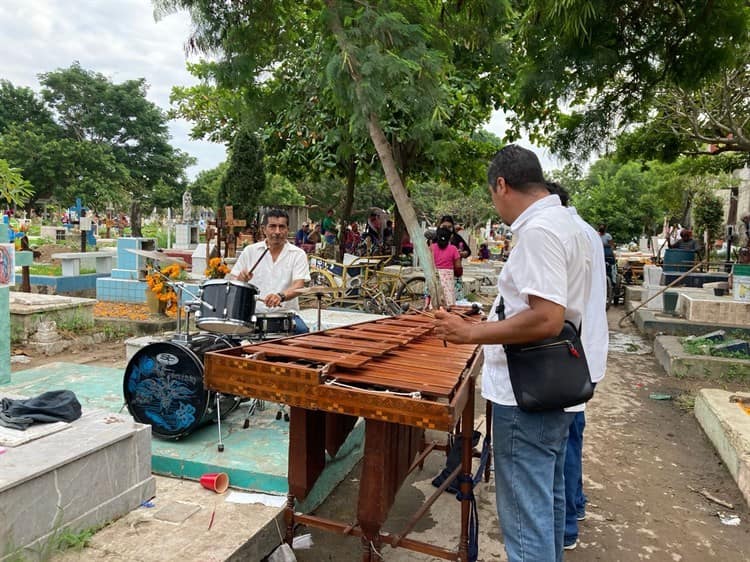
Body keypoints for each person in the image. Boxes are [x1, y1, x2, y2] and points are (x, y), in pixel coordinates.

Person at [434, 145, 591, 562]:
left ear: (501, 184)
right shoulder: (567, 224)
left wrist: (471, 334)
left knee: (525, 521)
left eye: (491, 193)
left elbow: (546, 319)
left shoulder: (540, 231)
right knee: (548, 504)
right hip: (551, 390)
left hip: (527, 396)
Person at [547, 182, 608, 551]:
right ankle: (577, 505)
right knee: (574, 433)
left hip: (574, 355)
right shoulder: (584, 232)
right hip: (585, 353)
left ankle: (567, 525)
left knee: (565, 441)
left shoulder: (568, 234)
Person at [229, 209, 311, 334]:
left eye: (281, 227)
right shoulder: (250, 251)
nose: (277, 232)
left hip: (287, 316)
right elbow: (233, 282)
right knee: (226, 341)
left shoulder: (298, 254)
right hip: (252, 315)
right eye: (272, 226)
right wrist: (241, 279)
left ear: (287, 229)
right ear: (264, 229)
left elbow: (298, 285)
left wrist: (280, 296)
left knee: (304, 336)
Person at [430, 226, 461, 306]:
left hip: (435, 275)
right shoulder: (453, 249)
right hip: (448, 278)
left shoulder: (432, 247)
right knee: (449, 299)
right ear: (450, 237)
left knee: (435, 298)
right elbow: (458, 266)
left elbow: (428, 262)